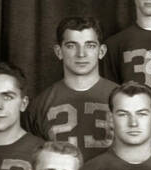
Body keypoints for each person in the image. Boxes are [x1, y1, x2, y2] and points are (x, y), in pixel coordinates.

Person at [26, 16, 116, 153]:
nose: (81, 54)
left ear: (101, 51)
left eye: (90, 45)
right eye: (71, 46)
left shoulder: (122, 98)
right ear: (58, 51)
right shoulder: (40, 105)